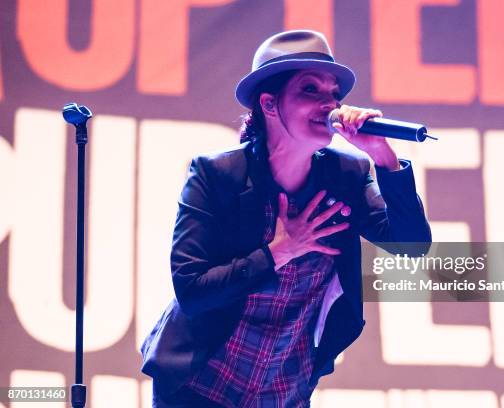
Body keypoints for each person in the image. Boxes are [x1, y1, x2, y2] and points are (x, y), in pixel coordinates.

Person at [141, 30, 431, 407]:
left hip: (282, 389)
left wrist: (384, 158)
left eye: (334, 95)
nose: (329, 105)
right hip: (203, 384)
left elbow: (412, 246)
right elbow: (193, 290)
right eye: (310, 90)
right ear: (269, 104)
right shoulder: (218, 176)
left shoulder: (347, 176)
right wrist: (279, 251)